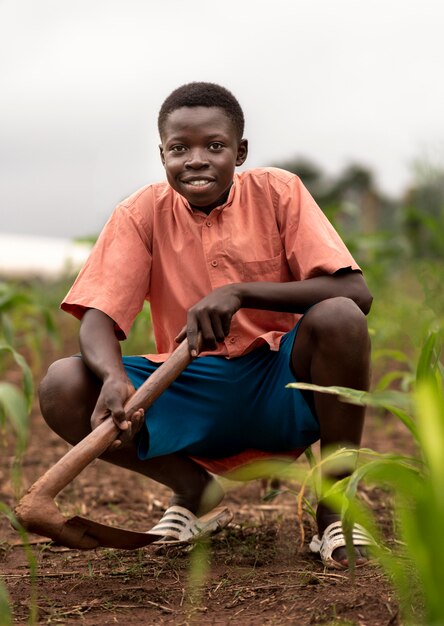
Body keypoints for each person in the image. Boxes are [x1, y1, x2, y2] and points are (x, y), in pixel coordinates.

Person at [39, 82, 374, 569]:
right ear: (162, 155)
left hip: (279, 381)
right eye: (180, 148)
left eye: (214, 146)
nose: (196, 160)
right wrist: (114, 379)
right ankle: (194, 490)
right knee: (62, 383)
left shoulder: (280, 192)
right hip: (191, 389)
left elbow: (356, 294)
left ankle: (335, 505)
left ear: (240, 152)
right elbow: (98, 316)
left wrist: (240, 293)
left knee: (339, 316)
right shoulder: (140, 213)